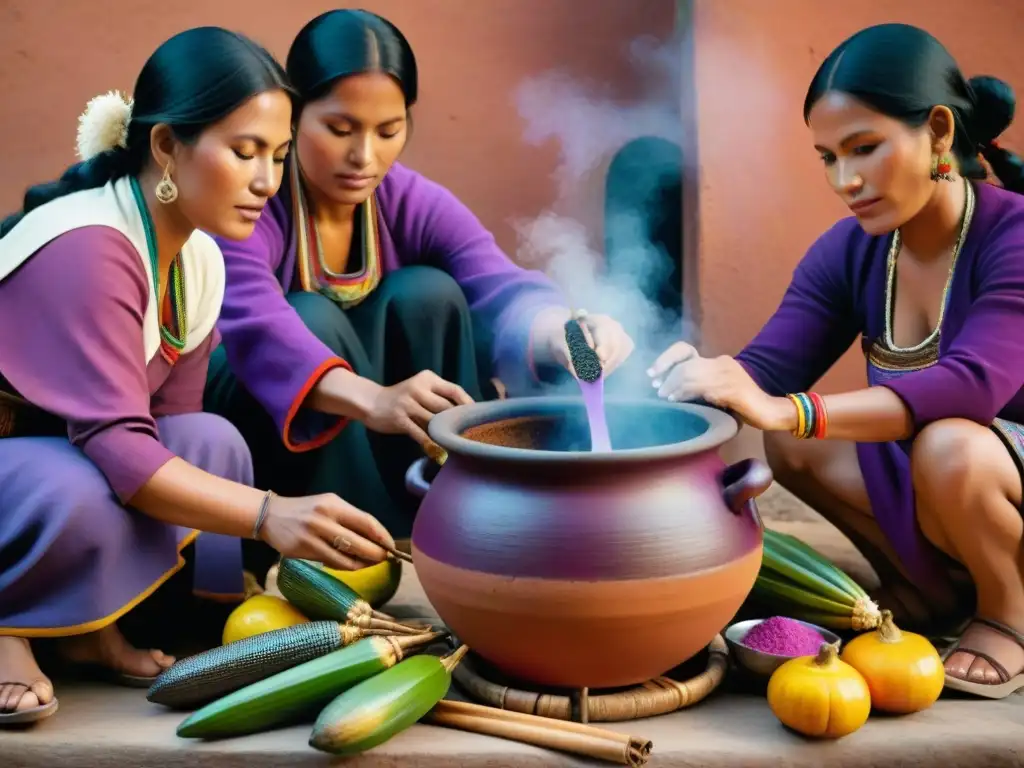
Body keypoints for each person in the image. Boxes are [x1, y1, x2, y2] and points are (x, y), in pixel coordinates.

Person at [0, 27, 394, 726]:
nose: (268, 182)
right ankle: (7, 627)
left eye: (277, 156)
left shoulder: (196, 258)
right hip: (23, 466)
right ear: (164, 147)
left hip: (45, 458)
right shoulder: (90, 250)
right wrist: (272, 516)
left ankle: (91, 627)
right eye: (244, 153)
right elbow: (121, 452)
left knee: (209, 439)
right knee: (78, 486)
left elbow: (166, 431)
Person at [648, 23, 1024, 700]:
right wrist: (681, 382)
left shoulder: (1014, 235)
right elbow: (766, 371)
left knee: (948, 448)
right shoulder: (851, 251)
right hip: (934, 481)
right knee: (792, 448)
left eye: (865, 148)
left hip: (986, 472)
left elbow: (973, 387)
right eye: (827, 157)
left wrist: (787, 409)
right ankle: (922, 593)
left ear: (939, 132)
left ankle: (1008, 613)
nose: (844, 180)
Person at [204, 9, 635, 539]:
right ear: (292, 118)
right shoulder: (253, 197)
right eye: (340, 129)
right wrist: (375, 398)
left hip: (381, 430)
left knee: (428, 294)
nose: (365, 156)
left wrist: (565, 333)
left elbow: (495, 281)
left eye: (388, 131)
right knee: (309, 315)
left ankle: (444, 515)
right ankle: (342, 543)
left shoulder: (408, 198)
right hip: (268, 437)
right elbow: (259, 321)